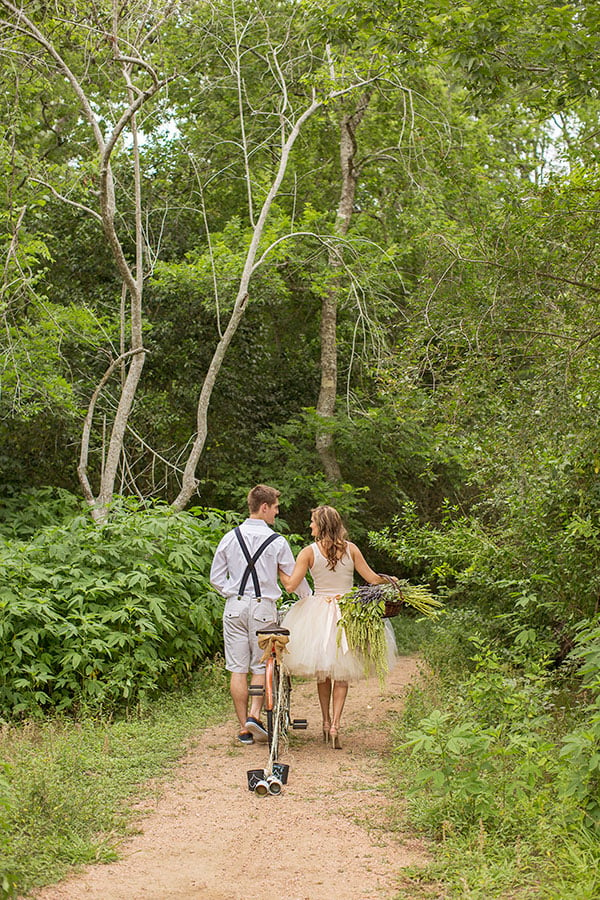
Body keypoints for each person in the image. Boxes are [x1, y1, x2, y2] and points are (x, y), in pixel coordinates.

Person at [279, 505, 397, 749]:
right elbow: (372, 579)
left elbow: (291, 586)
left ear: (321, 525)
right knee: (342, 673)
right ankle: (335, 724)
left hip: (318, 614)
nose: (310, 525)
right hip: (348, 612)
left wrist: (279, 571)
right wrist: (391, 580)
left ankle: (323, 722)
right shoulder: (351, 549)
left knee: (324, 673)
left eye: (312, 521)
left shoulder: (308, 553)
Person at [210, 484, 310, 745]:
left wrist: (232, 593)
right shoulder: (277, 541)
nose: (276, 513)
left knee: (236, 669)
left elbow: (215, 578)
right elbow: (295, 579)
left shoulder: (230, 537)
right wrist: (309, 601)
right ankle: (255, 715)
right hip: (263, 608)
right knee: (259, 665)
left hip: (234, 607)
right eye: (275, 508)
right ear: (264, 507)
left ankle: (244, 728)